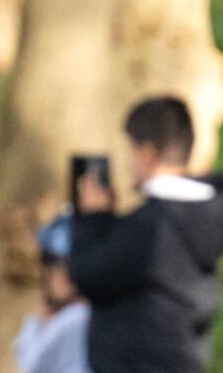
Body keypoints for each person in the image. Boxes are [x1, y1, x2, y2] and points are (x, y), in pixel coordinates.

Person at [70, 96, 223, 373]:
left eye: (131, 150)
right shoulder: (205, 214)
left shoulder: (151, 227)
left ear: (147, 154)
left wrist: (94, 218)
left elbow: (89, 276)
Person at [15, 213, 91, 373]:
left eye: (66, 267)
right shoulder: (74, 316)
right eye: (53, 266)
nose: (58, 276)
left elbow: (31, 365)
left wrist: (35, 323)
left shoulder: (77, 317)